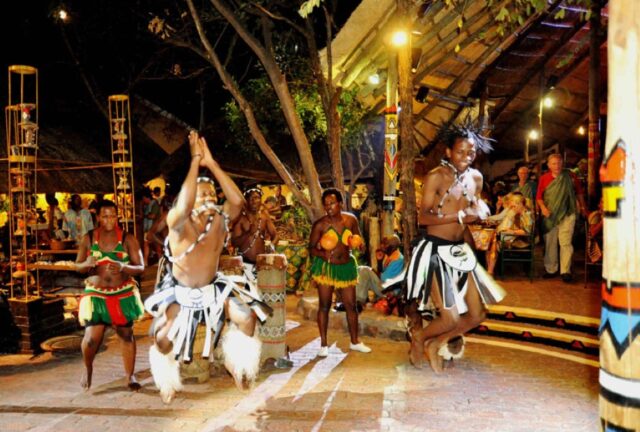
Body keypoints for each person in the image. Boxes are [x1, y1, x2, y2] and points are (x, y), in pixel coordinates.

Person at [144, 131, 270, 403]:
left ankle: (238, 366)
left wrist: (211, 164)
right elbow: (186, 202)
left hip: (214, 290)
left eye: (212, 194)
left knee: (247, 319)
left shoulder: (219, 221)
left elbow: (238, 202)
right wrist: (195, 162)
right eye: (203, 195)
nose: (209, 199)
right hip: (180, 293)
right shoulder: (179, 223)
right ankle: (168, 380)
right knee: (162, 340)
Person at [404, 121, 505, 373]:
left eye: (470, 152)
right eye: (460, 151)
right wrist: (459, 217)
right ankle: (419, 338)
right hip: (436, 251)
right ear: (448, 151)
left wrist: (479, 212)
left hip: (461, 251)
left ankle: (436, 343)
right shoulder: (436, 176)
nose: (466, 157)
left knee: (477, 315)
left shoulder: (476, 178)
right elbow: (424, 218)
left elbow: (474, 208)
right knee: (449, 318)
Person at [74, 200, 145, 391]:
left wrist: (124, 267)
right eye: (105, 216)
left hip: (122, 292)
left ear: (117, 216)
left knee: (126, 334)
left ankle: (130, 376)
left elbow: (141, 267)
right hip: (96, 294)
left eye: (112, 215)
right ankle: (87, 367)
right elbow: (77, 266)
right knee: (91, 339)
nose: (109, 220)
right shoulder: (89, 238)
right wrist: (87, 262)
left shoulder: (128, 238)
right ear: (98, 217)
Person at [309, 188, 371, 357]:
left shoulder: (350, 220)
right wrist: (322, 253)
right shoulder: (320, 225)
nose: (329, 207)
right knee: (324, 305)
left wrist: (360, 245)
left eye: (332, 203)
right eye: (326, 204)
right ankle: (323, 345)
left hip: (346, 266)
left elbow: (358, 238)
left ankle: (355, 341)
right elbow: (311, 249)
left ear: (340, 203)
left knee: (351, 305)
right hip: (326, 268)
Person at [536, 153, 587, 282]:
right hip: (550, 215)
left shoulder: (570, 176)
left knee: (565, 242)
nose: (556, 166)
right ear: (548, 165)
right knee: (550, 243)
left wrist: (582, 207)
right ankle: (551, 269)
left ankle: (566, 271)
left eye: (558, 163)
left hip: (568, 213)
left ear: (562, 163)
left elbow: (579, 193)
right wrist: (543, 208)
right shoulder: (544, 178)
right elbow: (539, 197)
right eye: (553, 163)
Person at [231, 187, 278, 287]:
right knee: (249, 293)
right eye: (251, 198)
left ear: (261, 200)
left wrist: (271, 246)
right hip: (245, 262)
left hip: (261, 262)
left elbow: (275, 235)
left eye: (257, 198)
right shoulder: (241, 218)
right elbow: (234, 242)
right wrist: (248, 233)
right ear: (246, 201)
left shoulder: (264, 216)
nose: (254, 201)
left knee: (262, 291)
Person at [484, 192, 534, 275]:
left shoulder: (527, 214)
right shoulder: (518, 212)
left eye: (514, 206)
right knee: (490, 242)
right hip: (512, 236)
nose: (513, 208)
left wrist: (512, 231)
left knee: (493, 242)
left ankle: (490, 271)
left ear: (520, 204)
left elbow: (527, 231)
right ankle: (490, 270)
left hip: (520, 240)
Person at [355, 234, 405, 305]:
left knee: (364, 271)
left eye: (386, 244)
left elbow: (384, 279)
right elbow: (382, 274)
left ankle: (359, 301)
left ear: (392, 247)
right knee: (360, 269)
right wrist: (379, 261)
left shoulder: (397, 259)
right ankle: (361, 298)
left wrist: (372, 271)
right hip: (385, 286)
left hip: (390, 291)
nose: (383, 246)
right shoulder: (391, 255)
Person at [141, 188, 161, 266]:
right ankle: (146, 262)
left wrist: (145, 215)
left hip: (154, 228)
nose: (143, 201)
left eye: (143, 199)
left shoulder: (154, 204)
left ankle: (159, 261)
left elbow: (153, 216)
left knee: (156, 245)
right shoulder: (148, 205)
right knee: (147, 244)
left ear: (146, 197)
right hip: (149, 229)